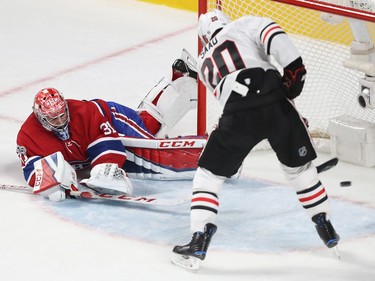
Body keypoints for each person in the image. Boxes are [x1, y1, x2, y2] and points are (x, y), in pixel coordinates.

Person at [172, 10, 340, 270]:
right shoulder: (243, 25)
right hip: (276, 104)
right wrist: (294, 68)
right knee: (300, 171)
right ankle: (324, 224)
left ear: (204, 37)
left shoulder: (204, 60)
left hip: (237, 115)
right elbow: (273, 33)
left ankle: (199, 238)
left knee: (209, 175)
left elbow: (230, 95)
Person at [16, 51, 199, 202]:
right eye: (54, 119)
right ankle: (178, 79)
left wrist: (104, 169)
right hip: (98, 129)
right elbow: (31, 168)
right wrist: (50, 180)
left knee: (150, 148)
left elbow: (109, 144)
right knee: (148, 128)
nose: (61, 120)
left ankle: (180, 88)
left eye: (63, 114)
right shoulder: (28, 136)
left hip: (112, 118)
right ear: (41, 118)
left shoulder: (84, 113)